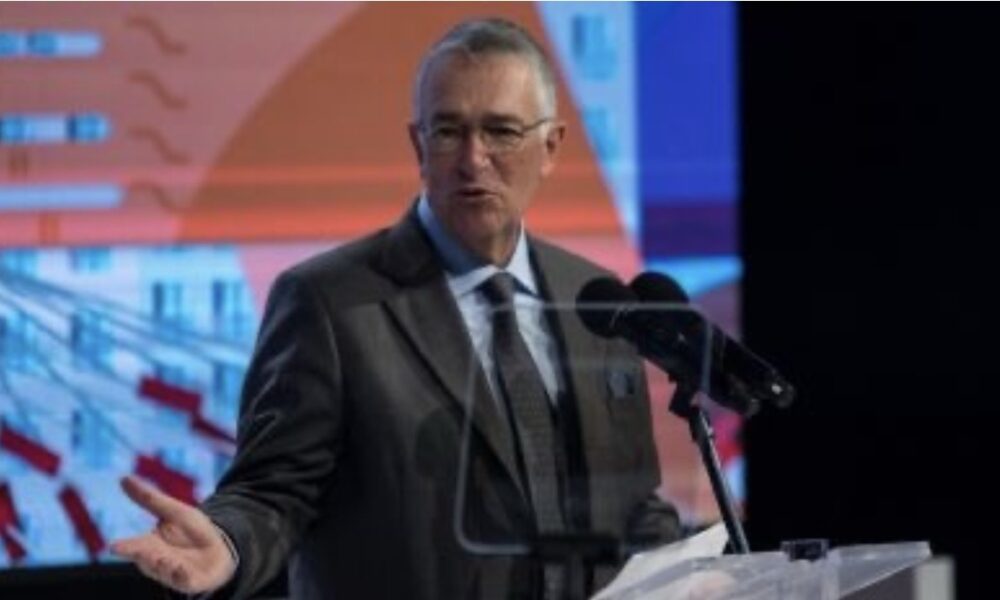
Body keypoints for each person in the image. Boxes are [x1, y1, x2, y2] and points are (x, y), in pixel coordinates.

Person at [112, 18, 680, 600]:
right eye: (448, 131)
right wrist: (227, 545)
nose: (473, 159)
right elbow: (273, 491)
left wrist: (697, 571)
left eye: (501, 131)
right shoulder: (327, 303)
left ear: (551, 146)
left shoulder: (594, 297)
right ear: (418, 145)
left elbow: (632, 502)